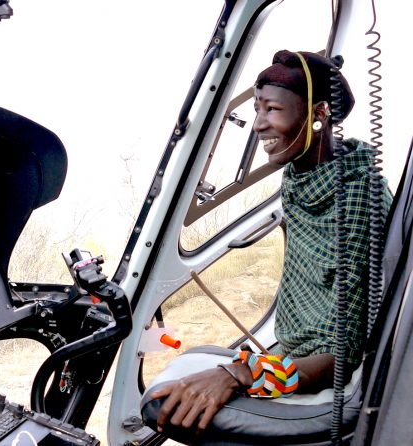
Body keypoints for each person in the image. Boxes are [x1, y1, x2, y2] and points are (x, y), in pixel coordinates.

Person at [150, 49, 390, 435]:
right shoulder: (300, 178)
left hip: (322, 374)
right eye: (257, 109)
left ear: (319, 114)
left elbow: (340, 355)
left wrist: (241, 374)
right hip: (291, 351)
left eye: (272, 110)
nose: (259, 124)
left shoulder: (359, 196)